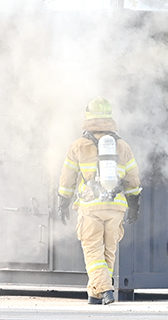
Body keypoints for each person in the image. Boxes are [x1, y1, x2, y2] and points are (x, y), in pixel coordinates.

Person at [57, 97, 142, 306]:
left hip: (91, 206)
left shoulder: (78, 146)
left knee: (93, 250)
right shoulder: (122, 146)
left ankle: (104, 289)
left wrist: (63, 202)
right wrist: (134, 205)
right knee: (108, 251)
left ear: (88, 116)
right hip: (116, 206)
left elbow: (67, 179)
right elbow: (133, 179)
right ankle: (95, 294)